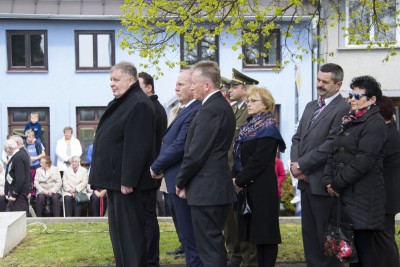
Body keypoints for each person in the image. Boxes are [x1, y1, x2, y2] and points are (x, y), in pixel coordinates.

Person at [89, 61, 157, 267]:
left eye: (116, 79)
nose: (111, 84)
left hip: (127, 185)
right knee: (119, 236)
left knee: (131, 237)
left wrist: (128, 179)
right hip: (115, 182)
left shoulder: (138, 104)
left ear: (131, 80)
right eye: (110, 79)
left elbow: (137, 146)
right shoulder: (122, 102)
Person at [175, 60, 235, 267]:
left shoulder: (211, 109)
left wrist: (181, 180)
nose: (191, 87)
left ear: (207, 85)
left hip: (208, 189)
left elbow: (196, 153)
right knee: (212, 243)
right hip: (213, 187)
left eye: (194, 83)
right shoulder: (218, 106)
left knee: (209, 247)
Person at [322, 75, 386, 267]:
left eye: (357, 96)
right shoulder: (349, 120)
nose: (351, 99)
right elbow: (334, 151)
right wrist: (327, 180)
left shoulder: (375, 123)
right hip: (346, 195)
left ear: (372, 99)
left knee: (365, 248)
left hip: (364, 197)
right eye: (350, 95)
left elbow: (363, 161)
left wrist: (337, 183)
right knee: (351, 251)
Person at [290, 63, 349, 267]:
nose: (320, 85)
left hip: (323, 184)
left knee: (326, 237)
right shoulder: (310, 106)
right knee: (310, 237)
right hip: (306, 183)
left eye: (325, 82)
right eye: (318, 80)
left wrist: (303, 165)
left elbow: (331, 144)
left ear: (338, 84)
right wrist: (295, 165)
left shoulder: (343, 108)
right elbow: (297, 138)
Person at [150, 69, 202, 266]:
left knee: (191, 237)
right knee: (188, 238)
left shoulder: (195, 109)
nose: (176, 88)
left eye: (181, 84)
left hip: (184, 182)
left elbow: (179, 145)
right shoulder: (185, 109)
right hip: (176, 180)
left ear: (193, 85)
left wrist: (156, 166)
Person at [232, 86, 286, 267]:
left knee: (265, 235)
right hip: (247, 186)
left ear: (266, 104)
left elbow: (259, 161)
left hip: (262, 187)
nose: (249, 104)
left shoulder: (268, 129)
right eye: (248, 101)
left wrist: (239, 180)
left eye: (253, 101)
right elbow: (239, 155)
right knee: (252, 234)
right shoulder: (248, 126)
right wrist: (237, 179)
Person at [225, 68, 259, 267]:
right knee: (231, 220)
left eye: (234, 86)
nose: (230, 89)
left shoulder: (250, 110)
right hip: (230, 171)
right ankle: (236, 255)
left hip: (242, 173)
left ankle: (248, 260)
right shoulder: (235, 109)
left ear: (245, 89)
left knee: (243, 219)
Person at [139, 71, 167, 267]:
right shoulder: (153, 107)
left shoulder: (152, 108)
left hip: (149, 172)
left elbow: (146, 144)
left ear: (149, 87)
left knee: (148, 217)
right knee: (147, 216)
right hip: (150, 170)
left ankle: (151, 259)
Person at [377, 96, 400, 267]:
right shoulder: (392, 129)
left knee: (385, 238)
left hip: (385, 196)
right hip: (389, 194)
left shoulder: (385, 134)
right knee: (386, 236)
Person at [4, 138, 31, 214]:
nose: (5, 152)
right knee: (9, 214)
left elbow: (20, 178)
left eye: (5, 149)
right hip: (16, 192)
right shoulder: (17, 156)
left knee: (20, 216)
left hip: (19, 193)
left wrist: (14, 194)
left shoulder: (19, 157)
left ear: (10, 148)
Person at [25, 129, 45, 198]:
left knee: (36, 180)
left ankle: (36, 194)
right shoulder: (25, 144)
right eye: (27, 137)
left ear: (33, 137)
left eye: (29, 137)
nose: (28, 138)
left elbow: (43, 154)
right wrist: (29, 158)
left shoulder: (38, 143)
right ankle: (30, 194)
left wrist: (35, 158)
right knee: (29, 180)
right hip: (28, 166)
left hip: (36, 165)